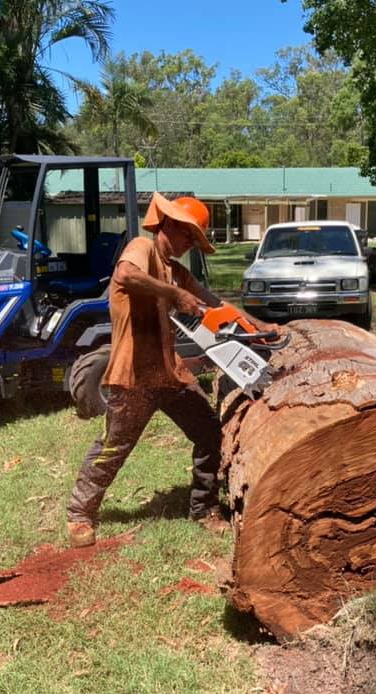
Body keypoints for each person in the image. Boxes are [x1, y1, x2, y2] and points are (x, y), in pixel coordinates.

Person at [66, 192, 272, 547]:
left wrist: (264, 330)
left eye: (194, 239)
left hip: (167, 372)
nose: (189, 244)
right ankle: (80, 513)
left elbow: (216, 304)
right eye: (188, 236)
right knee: (114, 446)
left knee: (208, 432)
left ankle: (204, 508)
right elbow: (126, 275)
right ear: (170, 225)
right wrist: (175, 296)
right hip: (133, 375)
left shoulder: (178, 272)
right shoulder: (141, 250)